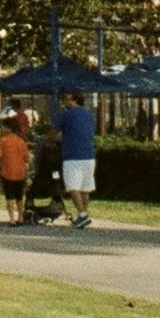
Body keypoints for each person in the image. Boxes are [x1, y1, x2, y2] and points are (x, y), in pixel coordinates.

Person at [56, 92, 97, 228]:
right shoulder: (90, 116)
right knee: (85, 188)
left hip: (72, 156)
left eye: (66, 99)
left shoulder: (67, 115)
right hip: (89, 155)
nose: (64, 102)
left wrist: (50, 140)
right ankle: (83, 214)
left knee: (73, 187)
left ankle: (83, 215)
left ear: (74, 101)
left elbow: (54, 132)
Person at [0, 109, 32, 222]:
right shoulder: (21, 142)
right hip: (20, 173)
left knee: (9, 197)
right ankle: (20, 217)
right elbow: (27, 158)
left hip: (7, 173)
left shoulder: (2, 141)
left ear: (8, 128)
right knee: (19, 197)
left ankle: (12, 218)